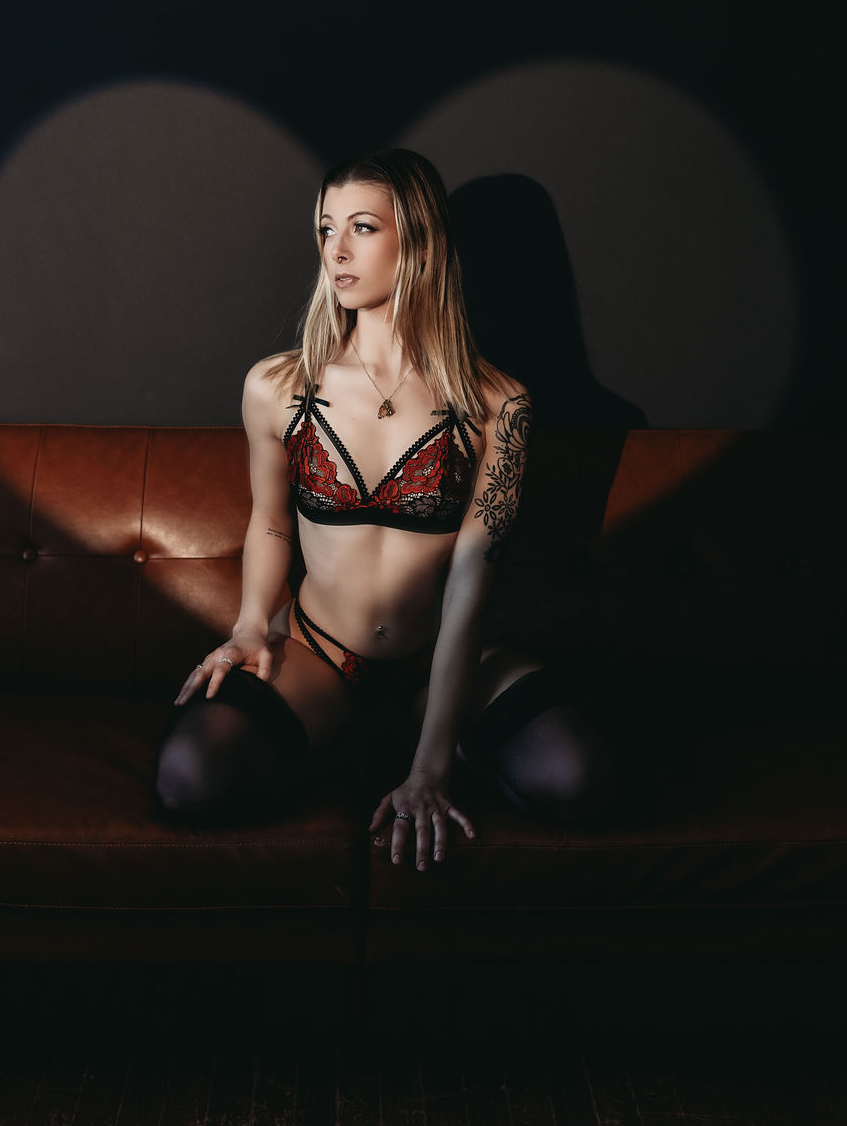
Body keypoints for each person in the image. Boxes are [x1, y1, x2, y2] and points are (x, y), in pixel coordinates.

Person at [154, 149, 618, 868]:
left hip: (441, 655)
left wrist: (430, 768)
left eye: (362, 227)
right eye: (325, 228)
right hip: (318, 650)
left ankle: (427, 743)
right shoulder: (278, 386)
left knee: (576, 775)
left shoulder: (498, 404)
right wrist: (249, 622)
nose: (335, 250)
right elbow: (272, 519)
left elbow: (471, 579)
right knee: (190, 778)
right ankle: (342, 734)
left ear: (419, 240)